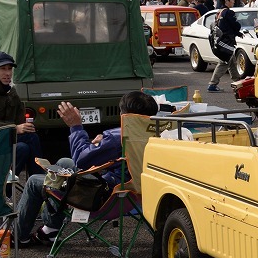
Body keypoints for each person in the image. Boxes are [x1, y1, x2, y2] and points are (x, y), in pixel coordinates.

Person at [14, 90, 160, 247]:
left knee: (34, 181)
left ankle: (19, 238)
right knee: (64, 162)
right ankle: (49, 231)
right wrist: (101, 145)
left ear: (124, 115)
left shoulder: (117, 138)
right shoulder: (159, 133)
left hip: (105, 200)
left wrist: (76, 126)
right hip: (137, 198)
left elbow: (82, 161)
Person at [207, 0, 241, 92]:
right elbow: (236, 25)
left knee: (231, 61)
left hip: (220, 41)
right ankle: (212, 84)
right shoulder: (228, 12)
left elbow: (223, 26)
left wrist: (237, 33)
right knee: (225, 61)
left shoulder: (219, 12)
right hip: (226, 42)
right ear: (226, 1)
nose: (234, 2)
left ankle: (237, 81)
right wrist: (237, 30)